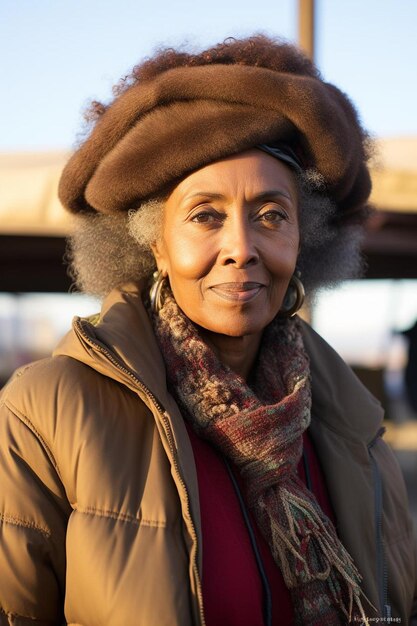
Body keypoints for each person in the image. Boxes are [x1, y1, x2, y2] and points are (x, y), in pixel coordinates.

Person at [0, 35, 416, 626]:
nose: (241, 249)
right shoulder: (46, 415)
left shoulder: (356, 425)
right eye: (205, 216)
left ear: (305, 241)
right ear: (154, 244)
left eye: (272, 215)